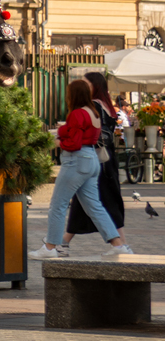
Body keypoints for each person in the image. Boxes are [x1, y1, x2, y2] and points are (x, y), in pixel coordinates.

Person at [31, 78, 132, 259]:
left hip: (76, 161)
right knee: (94, 206)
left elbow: (73, 143)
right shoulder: (93, 112)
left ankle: (49, 247)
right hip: (91, 160)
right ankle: (118, 245)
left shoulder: (77, 113)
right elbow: (85, 138)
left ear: (73, 94)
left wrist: (56, 142)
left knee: (58, 205)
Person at [64, 71, 126, 250]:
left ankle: (121, 244)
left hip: (97, 160)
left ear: (95, 86)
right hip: (106, 160)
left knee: (97, 201)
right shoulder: (107, 106)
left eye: (86, 84)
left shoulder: (94, 107)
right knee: (89, 200)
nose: (83, 87)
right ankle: (63, 242)